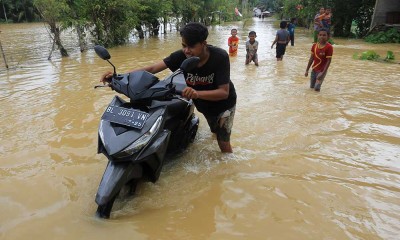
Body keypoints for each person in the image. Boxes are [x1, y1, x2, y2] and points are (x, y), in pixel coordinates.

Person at [100, 22, 237, 153]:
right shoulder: (181, 56)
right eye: (184, 45)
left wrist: (196, 93)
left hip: (223, 105)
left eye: (191, 47)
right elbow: (152, 68)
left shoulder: (219, 57)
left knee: (223, 145)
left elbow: (223, 92)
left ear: (204, 43)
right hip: (203, 104)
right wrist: (119, 76)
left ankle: (228, 171)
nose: (186, 51)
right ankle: (215, 132)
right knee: (214, 130)